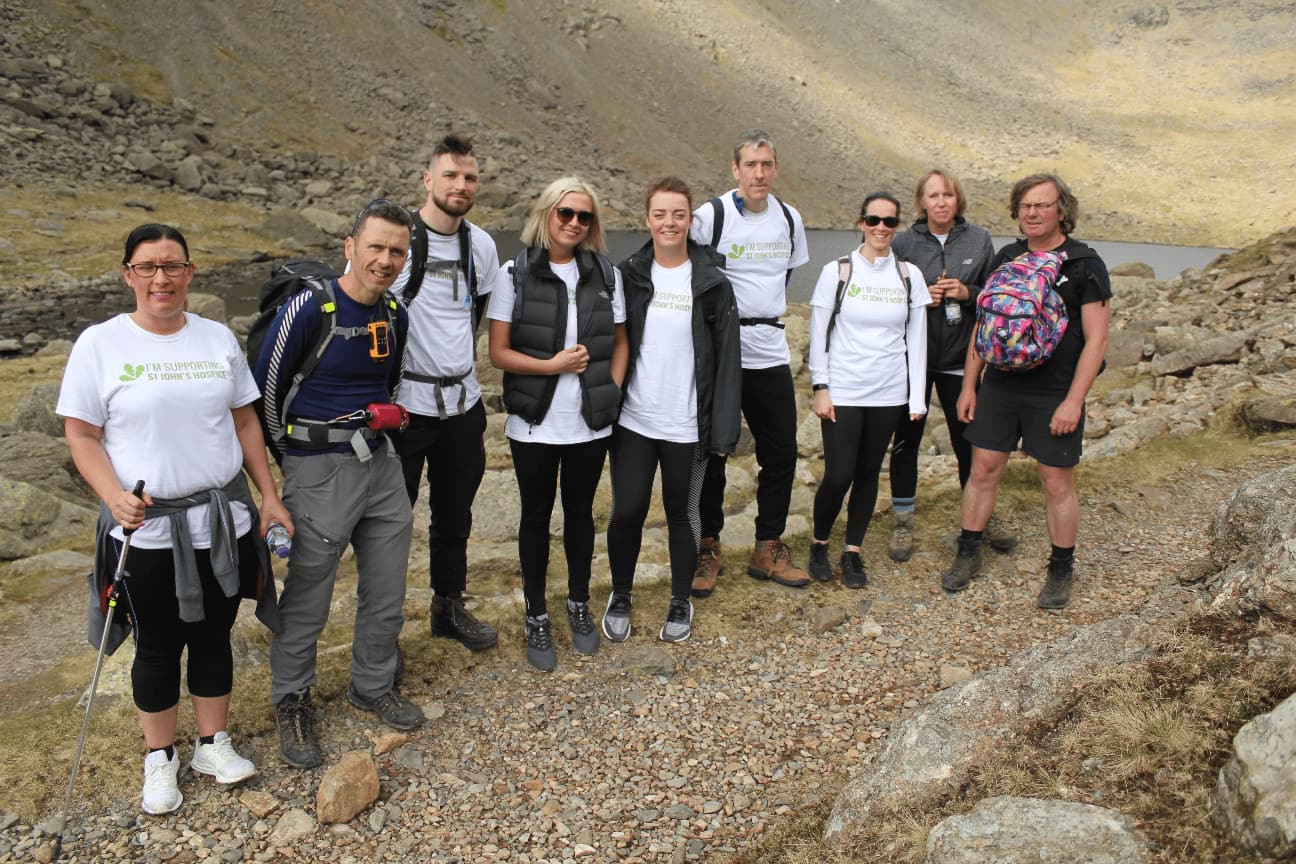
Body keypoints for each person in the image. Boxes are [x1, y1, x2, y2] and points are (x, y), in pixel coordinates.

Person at [58, 223, 289, 814]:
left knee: (215, 634)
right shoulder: (99, 345)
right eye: (147, 266)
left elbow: (244, 423)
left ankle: (211, 744)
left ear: (190, 273)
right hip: (145, 529)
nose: (160, 278)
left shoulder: (216, 339)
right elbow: (82, 435)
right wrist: (113, 495)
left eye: (172, 265)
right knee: (157, 646)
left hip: (220, 521)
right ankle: (159, 758)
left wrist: (267, 495)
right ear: (128, 274)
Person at [255, 199, 422, 769]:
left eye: (396, 250)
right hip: (317, 468)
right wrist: (292, 464)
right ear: (349, 246)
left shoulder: (395, 311)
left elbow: (392, 380)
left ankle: (372, 684)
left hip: (380, 465)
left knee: (387, 588)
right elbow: (265, 394)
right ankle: (292, 699)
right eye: (375, 247)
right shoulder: (310, 308)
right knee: (308, 596)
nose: (385, 259)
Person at [941, 173, 1111, 609]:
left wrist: (1074, 401)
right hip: (1000, 383)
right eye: (1025, 206)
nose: (1032, 213)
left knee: (1056, 481)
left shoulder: (1084, 264)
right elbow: (986, 321)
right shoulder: (1008, 257)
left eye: (1042, 205)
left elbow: (1097, 340)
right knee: (983, 468)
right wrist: (969, 386)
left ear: (1062, 210)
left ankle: (1061, 568)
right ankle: (969, 549)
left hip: (1054, 389)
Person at [487, 177, 628, 672]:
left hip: (588, 422)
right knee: (535, 519)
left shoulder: (606, 274)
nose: (573, 223)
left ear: (593, 224)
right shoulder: (515, 273)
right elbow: (498, 352)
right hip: (534, 423)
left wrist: (608, 388)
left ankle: (577, 604)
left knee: (581, 517)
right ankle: (537, 615)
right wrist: (553, 367)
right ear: (546, 214)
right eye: (564, 213)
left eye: (583, 216)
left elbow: (621, 341)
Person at [603, 176, 741, 643]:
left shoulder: (713, 284)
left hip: (688, 425)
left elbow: (727, 364)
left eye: (678, 214)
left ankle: (680, 600)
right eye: (660, 214)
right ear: (647, 218)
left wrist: (723, 433)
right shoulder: (629, 275)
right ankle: (621, 592)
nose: (669, 222)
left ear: (690, 220)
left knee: (683, 514)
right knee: (628, 512)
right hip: (634, 421)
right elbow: (612, 343)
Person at [390, 133, 504, 653]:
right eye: (451, 175)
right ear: (428, 179)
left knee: (455, 513)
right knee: (391, 520)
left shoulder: (480, 246)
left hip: (462, 406)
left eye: (470, 177)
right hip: (406, 409)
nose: (461, 186)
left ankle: (448, 606)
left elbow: (476, 314)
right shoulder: (395, 238)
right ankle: (383, 629)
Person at [688, 129, 811, 597]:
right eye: (750, 165)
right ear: (735, 170)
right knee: (716, 448)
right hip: (724, 350)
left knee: (780, 450)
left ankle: (768, 545)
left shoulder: (789, 219)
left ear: (776, 168)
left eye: (767, 164)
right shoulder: (710, 216)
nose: (759, 173)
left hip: (771, 348)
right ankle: (708, 545)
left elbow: (784, 274)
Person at [887, 169, 1015, 561]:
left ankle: (979, 517)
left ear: (957, 199)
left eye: (948, 194)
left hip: (962, 359)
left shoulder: (978, 239)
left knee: (969, 441)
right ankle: (902, 520)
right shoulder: (905, 241)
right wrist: (920, 297)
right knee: (907, 441)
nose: (941, 202)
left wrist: (967, 291)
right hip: (916, 358)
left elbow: (994, 296)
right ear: (921, 201)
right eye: (933, 195)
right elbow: (889, 292)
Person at [806, 194, 930, 587]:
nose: (881, 228)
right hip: (844, 389)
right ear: (861, 222)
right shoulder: (838, 271)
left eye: (889, 222)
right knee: (839, 475)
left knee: (868, 473)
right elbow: (818, 334)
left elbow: (917, 338)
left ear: (897, 227)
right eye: (874, 220)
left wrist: (915, 398)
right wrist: (820, 386)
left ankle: (853, 551)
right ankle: (819, 543)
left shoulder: (908, 275)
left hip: (889, 392)